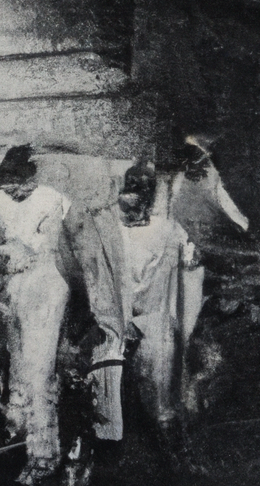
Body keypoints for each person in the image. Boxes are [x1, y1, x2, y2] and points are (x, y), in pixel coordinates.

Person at [69, 160, 198, 457]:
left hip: (153, 320)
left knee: (159, 386)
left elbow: (186, 269)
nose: (135, 198)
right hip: (113, 320)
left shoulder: (169, 230)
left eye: (143, 190)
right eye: (131, 189)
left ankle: (171, 450)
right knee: (101, 391)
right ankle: (104, 448)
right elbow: (94, 275)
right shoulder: (109, 231)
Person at [0, 144, 72, 486]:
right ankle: (17, 434)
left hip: (47, 286)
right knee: (18, 367)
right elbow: (1, 238)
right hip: (16, 288)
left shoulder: (54, 199)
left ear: (33, 179)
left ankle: (45, 455)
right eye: (7, 186)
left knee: (40, 372)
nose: (13, 192)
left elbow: (57, 247)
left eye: (19, 185)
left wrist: (26, 253)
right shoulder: (1, 199)